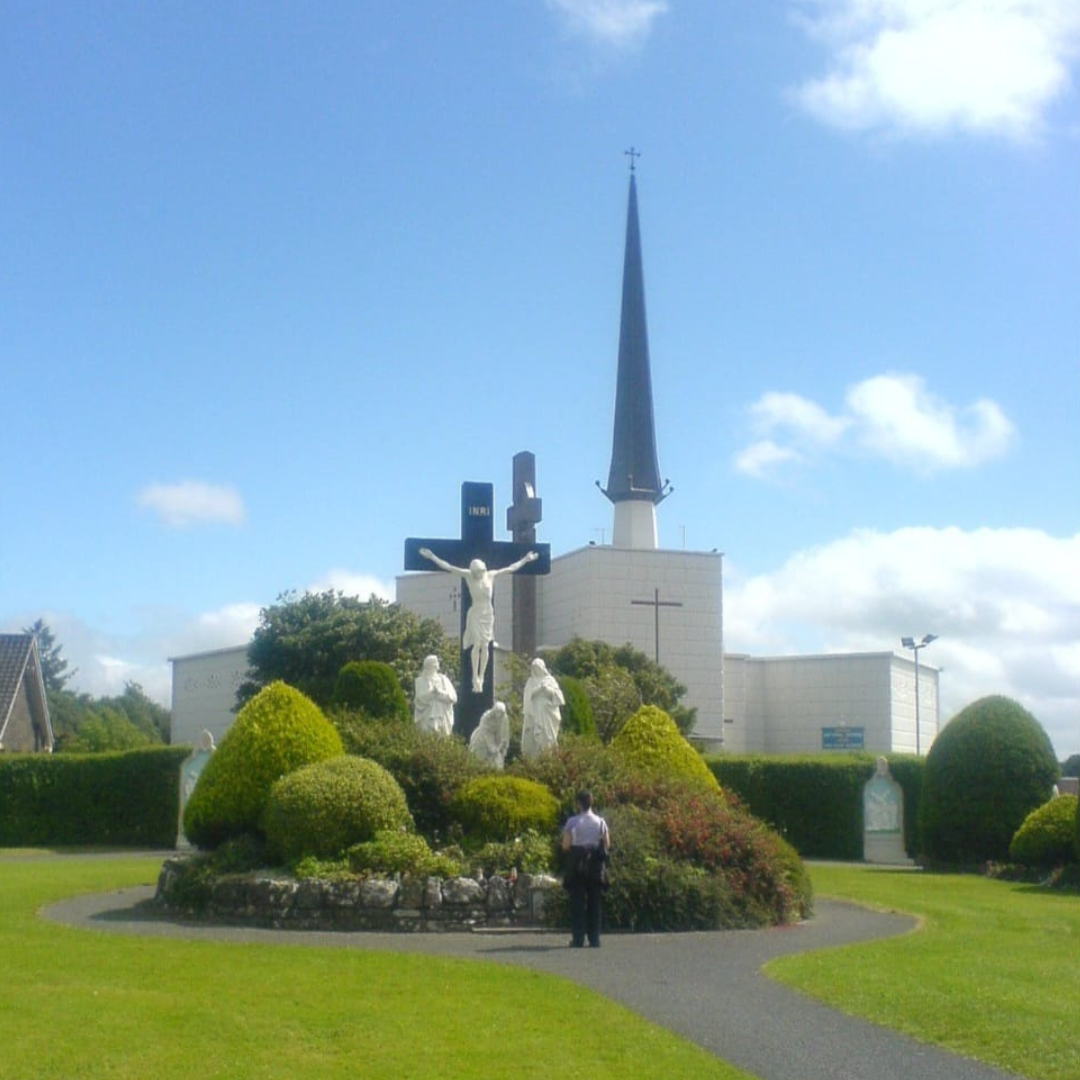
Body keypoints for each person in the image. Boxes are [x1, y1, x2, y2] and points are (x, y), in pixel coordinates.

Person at [418, 547, 538, 692]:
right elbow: (449, 567)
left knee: (486, 645)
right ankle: (475, 677)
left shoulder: (491, 575)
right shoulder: (468, 576)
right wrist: (432, 557)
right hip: (476, 612)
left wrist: (525, 559)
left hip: (488, 614)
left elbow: (510, 568)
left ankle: (482, 676)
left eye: (480, 572)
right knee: (477, 644)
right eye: (476, 572)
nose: (479, 574)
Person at [561, 790, 610, 948]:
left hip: (578, 864)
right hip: (595, 864)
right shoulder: (601, 822)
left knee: (578, 902)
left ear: (579, 804)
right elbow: (607, 844)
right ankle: (595, 939)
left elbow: (566, 845)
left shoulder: (572, 822)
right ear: (592, 803)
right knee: (595, 902)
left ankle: (578, 939)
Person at [521, 657, 564, 759]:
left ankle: (547, 756)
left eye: (538, 668)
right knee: (535, 737)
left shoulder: (550, 680)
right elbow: (528, 697)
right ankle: (535, 758)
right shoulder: (530, 682)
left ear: (543, 668)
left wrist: (548, 690)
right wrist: (539, 689)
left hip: (548, 713)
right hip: (535, 713)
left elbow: (559, 697)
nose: (537, 670)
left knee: (548, 736)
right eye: (535, 668)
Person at [413, 655, 457, 736]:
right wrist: (431, 694)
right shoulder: (420, 681)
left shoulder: (444, 679)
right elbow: (418, 700)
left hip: (443, 717)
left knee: (442, 738)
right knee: (427, 737)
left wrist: (439, 693)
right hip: (426, 717)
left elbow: (453, 698)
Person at [469, 701, 510, 769]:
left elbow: (504, 734)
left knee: (498, 759)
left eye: (501, 713)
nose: (499, 715)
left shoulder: (504, 719)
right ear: (494, 711)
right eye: (497, 712)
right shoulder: (486, 717)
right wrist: (492, 747)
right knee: (480, 759)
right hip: (481, 739)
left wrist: (501, 746)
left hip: (496, 739)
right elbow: (485, 732)